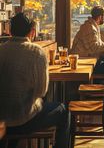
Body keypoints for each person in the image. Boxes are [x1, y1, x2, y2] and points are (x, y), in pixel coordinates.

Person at [0, 13, 70, 148]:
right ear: (31, 32)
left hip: (2, 121)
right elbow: (41, 91)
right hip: (24, 120)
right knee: (63, 111)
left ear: (9, 31)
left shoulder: (1, 50)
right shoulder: (36, 52)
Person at [71, 6, 104, 74]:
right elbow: (94, 47)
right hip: (81, 63)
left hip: (86, 60)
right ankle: (102, 83)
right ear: (100, 17)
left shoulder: (92, 25)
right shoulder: (90, 28)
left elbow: (97, 44)